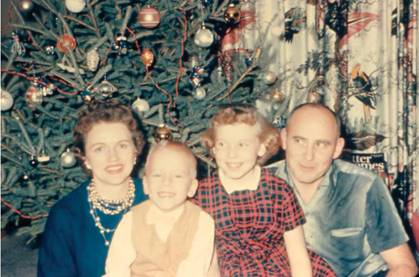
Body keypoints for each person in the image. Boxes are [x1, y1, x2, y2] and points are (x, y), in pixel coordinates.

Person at [271, 103, 418, 277]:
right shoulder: (257, 185)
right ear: (284, 138)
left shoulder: (364, 185)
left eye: (321, 144)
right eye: (299, 141)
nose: (308, 155)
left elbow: (403, 266)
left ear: (337, 148)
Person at [193, 105, 336, 276]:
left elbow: (298, 254)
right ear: (214, 149)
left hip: (279, 268)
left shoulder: (279, 191)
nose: (232, 154)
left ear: (261, 147)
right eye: (223, 144)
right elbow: (206, 258)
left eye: (242, 144)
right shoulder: (203, 195)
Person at [38, 99, 148, 277]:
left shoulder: (155, 197)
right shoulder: (65, 214)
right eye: (99, 149)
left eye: (122, 145)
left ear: (136, 151)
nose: (113, 157)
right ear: (85, 158)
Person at [103, 140, 218, 277]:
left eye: (177, 176)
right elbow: (116, 266)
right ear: (146, 184)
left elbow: (194, 270)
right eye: (158, 175)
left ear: (192, 187)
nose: (166, 182)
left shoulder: (202, 222)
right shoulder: (132, 219)